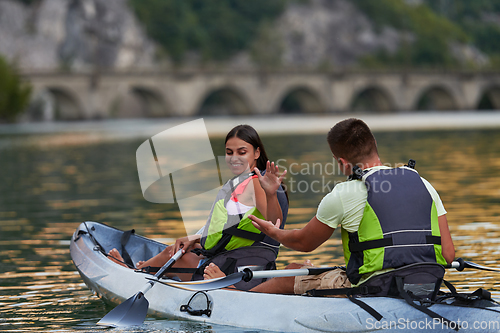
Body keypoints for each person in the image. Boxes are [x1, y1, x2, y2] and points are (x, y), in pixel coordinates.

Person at [207, 118, 455, 295]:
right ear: (374, 143)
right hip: (427, 283)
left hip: (376, 288)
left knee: (294, 271)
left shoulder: (344, 193)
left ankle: (235, 294)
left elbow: (304, 244)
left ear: (341, 162)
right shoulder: (423, 183)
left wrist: (274, 233)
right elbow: (448, 255)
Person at [108, 124, 288, 288]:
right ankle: (144, 269)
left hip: (237, 267)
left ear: (256, 153)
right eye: (229, 152)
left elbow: (274, 224)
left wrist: (271, 194)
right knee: (185, 246)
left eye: (242, 152)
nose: (234, 158)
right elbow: (231, 229)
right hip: (239, 259)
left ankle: (134, 274)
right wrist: (196, 238)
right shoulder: (244, 181)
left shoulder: (255, 183)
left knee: (172, 253)